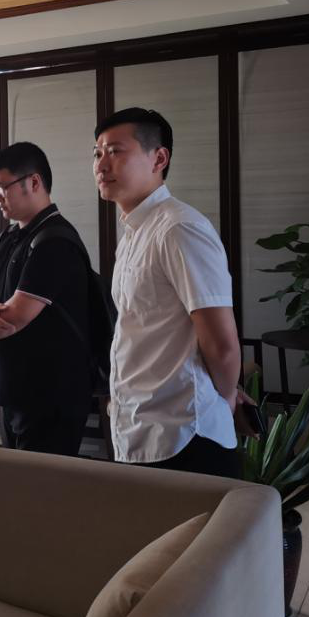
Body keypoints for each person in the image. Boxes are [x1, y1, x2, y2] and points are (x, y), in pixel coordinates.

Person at [93, 107, 244, 478]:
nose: (101, 164)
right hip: (140, 425)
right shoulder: (133, 234)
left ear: (159, 159)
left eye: (115, 151)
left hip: (184, 433)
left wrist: (224, 401)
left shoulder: (179, 228)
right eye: (97, 153)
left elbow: (222, 342)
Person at [0, 142, 95, 456]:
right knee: (18, 479)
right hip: (15, 392)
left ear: (33, 182)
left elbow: (12, 319)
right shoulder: (8, 236)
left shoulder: (55, 240)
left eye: (2, 188)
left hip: (49, 394)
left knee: (42, 483)